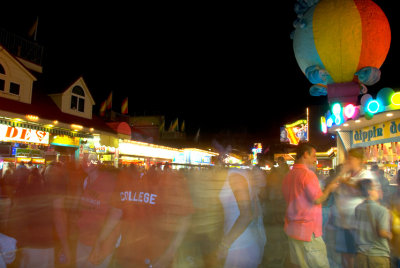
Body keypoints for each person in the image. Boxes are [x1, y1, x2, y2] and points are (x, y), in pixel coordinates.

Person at [90, 164, 194, 268]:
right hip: (126, 255)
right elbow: (114, 215)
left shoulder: (167, 180)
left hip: (155, 258)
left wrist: (169, 254)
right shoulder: (125, 180)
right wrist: (99, 242)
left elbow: (185, 218)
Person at [282, 143, 339, 268]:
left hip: (292, 229)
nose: (315, 159)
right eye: (313, 156)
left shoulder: (288, 175)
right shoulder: (307, 174)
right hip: (308, 232)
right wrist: (329, 188)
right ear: (305, 154)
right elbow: (318, 199)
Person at [334, 148, 381, 268]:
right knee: (346, 255)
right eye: (347, 158)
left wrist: (344, 180)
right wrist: (341, 175)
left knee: (358, 256)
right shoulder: (346, 175)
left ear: (359, 160)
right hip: (343, 223)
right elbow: (333, 188)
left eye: (351, 158)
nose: (348, 161)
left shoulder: (366, 174)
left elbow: (365, 189)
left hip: (358, 224)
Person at [217, 167, 266, 268]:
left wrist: (224, 245)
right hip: (240, 241)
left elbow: (247, 215)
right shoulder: (240, 175)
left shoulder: (236, 176)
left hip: (240, 245)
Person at [354, 179, 392, 268]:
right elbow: (382, 232)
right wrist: (390, 235)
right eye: (375, 188)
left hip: (361, 255)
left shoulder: (358, 208)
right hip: (378, 256)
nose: (378, 191)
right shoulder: (382, 210)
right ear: (369, 191)